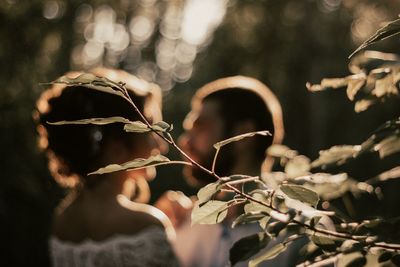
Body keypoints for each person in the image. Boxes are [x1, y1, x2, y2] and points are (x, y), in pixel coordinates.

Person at [157, 76, 309, 267]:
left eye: (200, 126)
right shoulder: (181, 222)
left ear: (243, 135)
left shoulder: (301, 232)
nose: (184, 141)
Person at [34, 68, 179, 267]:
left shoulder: (62, 222)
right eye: (150, 131)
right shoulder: (147, 226)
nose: (160, 146)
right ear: (116, 150)